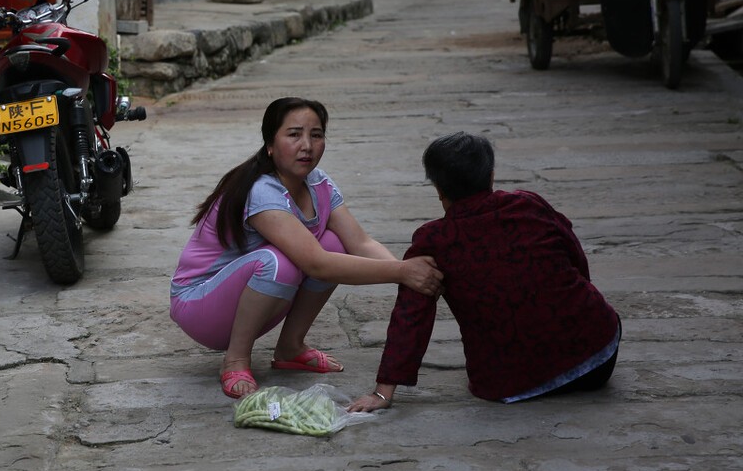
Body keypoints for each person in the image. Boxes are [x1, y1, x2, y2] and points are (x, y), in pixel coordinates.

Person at [169, 97, 444, 399]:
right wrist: (402, 272)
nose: (307, 145)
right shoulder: (262, 190)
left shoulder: (319, 183)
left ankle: (290, 347)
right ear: (270, 144)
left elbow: (360, 243)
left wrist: (407, 276)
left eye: (316, 135)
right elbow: (316, 265)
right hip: (199, 305)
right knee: (280, 263)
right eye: (294, 134)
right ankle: (235, 359)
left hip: (245, 300)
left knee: (333, 243)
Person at [347, 132, 621, 413]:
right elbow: (575, 256)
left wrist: (382, 393)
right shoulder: (529, 205)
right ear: (490, 177)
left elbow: (412, 317)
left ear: (439, 190)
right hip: (598, 355)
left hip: (509, 383)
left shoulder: (433, 241)